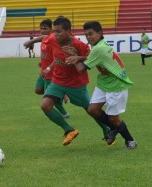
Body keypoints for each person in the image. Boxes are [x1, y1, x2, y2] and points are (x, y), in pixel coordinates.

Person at [24, 16, 113, 146]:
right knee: (45, 105)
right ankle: (69, 130)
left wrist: (78, 57)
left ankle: (107, 128)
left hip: (76, 83)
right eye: (54, 31)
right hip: (58, 81)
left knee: (90, 109)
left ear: (68, 31)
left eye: (59, 31)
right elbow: (44, 37)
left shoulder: (78, 44)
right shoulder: (53, 38)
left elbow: (91, 57)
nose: (56, 34)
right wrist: (31, 42)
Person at [65, 21, 137, 150]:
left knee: (114, 118)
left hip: (116, 85)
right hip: (104, 83)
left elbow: (81, 69)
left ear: (100, 33)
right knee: (92, 109)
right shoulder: (99, 45)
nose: (88, 37)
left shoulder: (99, 48)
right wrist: (78, 57)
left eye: (91, 34)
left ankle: (130, 141)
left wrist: (74, 57)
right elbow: (91, 57)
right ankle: (114, 129)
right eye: (86, 35)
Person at [34, 19, 69, 119]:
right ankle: (62, 93)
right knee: (37, 90)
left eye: (45, 28)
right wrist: (42, 61)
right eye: (41, 28)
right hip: (43, 72)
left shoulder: (54, 42)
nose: (42, 30)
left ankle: (65, 114)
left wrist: (49, 68)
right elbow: (47, 55)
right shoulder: (44, 41)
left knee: (50, 97)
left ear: (51, 29)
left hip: (51, 74)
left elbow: (58, 58)